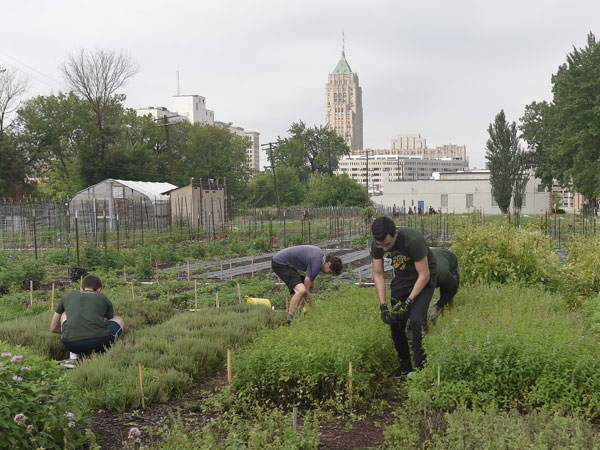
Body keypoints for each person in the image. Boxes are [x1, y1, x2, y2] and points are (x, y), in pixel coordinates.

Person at [371, 216, 437, 378]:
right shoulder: (377, 244)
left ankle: (421, 368)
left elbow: (424, 275)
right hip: (402, 279)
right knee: (395, 321)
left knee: (415, 320)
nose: (384, 249)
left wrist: (408, 301)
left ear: (396, 234)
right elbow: (378, 274)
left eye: (388, 244)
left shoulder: (413, 240)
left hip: (424, 277)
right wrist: (383, 305)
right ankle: (406, 367)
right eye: (381, 245)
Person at [50, 274, 125, 368]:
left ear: (81, 288)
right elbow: (104, 321)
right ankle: (102, 354)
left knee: (64, 315)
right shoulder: (103, 298)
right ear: (99, 290)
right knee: (119, 319)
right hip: (100, 342)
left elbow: (53, 328)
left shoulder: (68, 296)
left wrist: (74, 332)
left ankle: (73, 357)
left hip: (70, 344)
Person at [271, 245, 343, 324]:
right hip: (280, 263)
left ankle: (298, 312)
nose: (327, 274)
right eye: (329, 272)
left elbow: (308, 284)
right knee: (301, 290)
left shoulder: (320, 257)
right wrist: (313, 307)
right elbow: (306, 288)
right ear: (328, 264)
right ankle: (289, 320)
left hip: (289, 265)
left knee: (310, 286)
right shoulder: (317, 262)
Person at [428, 247, 460, 322]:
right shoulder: (418, 275)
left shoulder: (443, 275)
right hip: (434, 257)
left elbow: (453, 289)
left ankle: (449, 314)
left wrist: (437, 306)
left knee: (448, 292)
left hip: (448, 257)